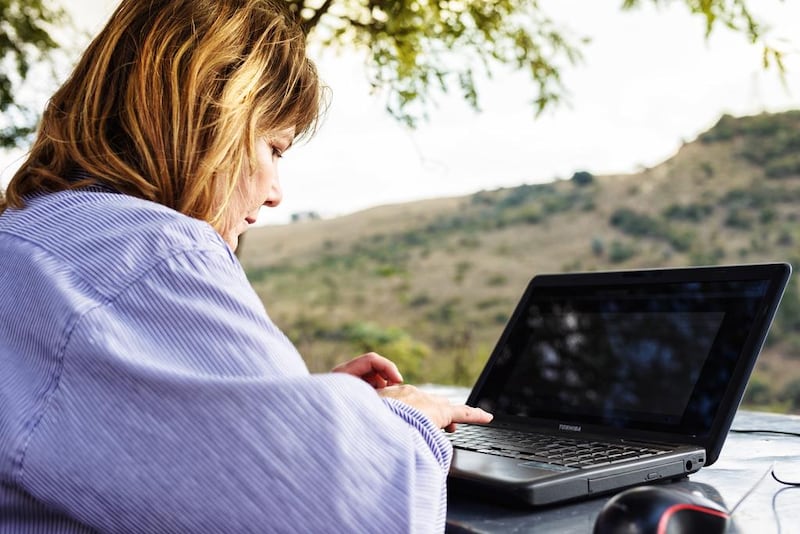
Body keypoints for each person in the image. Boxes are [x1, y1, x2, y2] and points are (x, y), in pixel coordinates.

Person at [0, 0, 493, 531]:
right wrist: (402, 419)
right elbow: (339, 515)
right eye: (275, 147)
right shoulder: (153, 255)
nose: (277, 192)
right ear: (208, 120)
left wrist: (279, 405)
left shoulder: (27, 237)